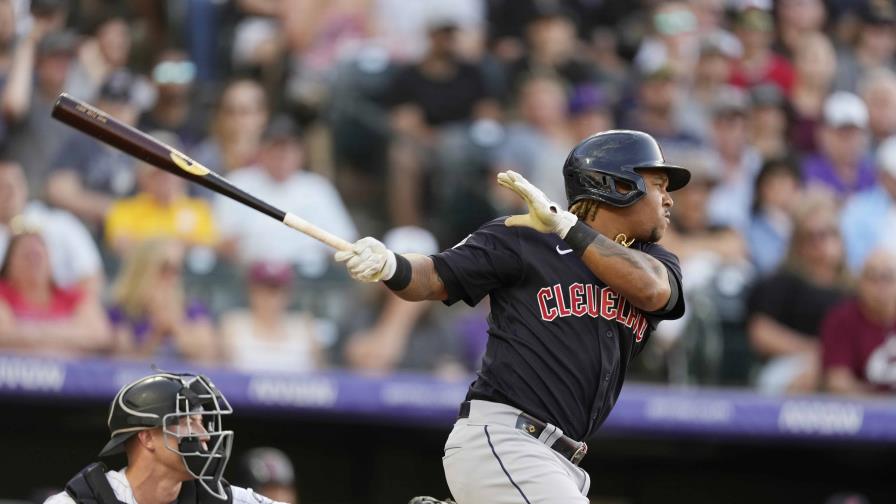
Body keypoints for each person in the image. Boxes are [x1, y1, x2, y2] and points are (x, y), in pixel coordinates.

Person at [337, 130, 688, 503]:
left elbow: (653, 291)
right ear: (619, 185)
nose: (668, 199)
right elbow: (434, 277)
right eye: (658, 185)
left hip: (562, 461)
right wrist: (391, 264)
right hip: (506, 440)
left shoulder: (656, 261)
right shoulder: (526, 237)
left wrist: (567, 226)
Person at [43, 371, 286, 504]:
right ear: (147, 437)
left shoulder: (219, 499)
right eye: (188, 422)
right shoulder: (80, 501)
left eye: (201, 423)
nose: (203, 436)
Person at [0, 226, 111, 355]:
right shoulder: (2, 294)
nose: (34, 264)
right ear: (9, 264)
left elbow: (100, 336)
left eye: (38, 256)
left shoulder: (74, 297)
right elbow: (4, 334)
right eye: (27, 257)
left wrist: (31, 334)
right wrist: (68, 334)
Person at [108, 239, 217, 364]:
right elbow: (123, 367)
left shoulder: (192, 309)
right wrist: (156, 333)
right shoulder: (122, 313)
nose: (172, 276)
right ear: (144, 269)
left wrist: (176, 326)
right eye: (166, 268)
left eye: (178, 269)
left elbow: (209, 358)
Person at [221, 260, 325, 373]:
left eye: (276, 290)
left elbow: (322, 375)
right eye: (262, 289)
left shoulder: (304, 325)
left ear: (288, 293)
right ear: (251, 291)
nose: (269, 297)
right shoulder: (234, 324)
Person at [821, 249, 896, 395]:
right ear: (860, 282)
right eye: (872, 278)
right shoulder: (842, 318)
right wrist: (882, 407)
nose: (880, 286)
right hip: (862, 410)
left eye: (888, 277)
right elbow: (837, 381)